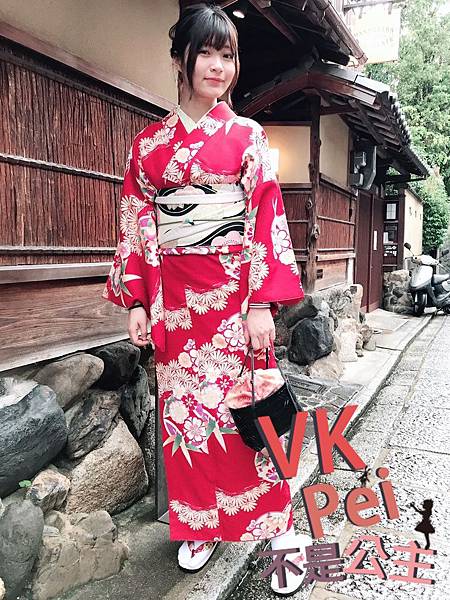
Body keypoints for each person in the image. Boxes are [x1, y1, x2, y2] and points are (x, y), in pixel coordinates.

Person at [102, 3, 311, 595]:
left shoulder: (247, 136)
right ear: (180, 59)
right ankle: (200, 524)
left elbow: (265, 215)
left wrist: (262, 302)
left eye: (228, 55)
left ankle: (277, 529)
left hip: (235, 303)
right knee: (188, 421)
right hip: (176, 306)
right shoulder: (148, 147)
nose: (219, 66)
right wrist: (138, 300)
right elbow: (138, 222)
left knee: (252, 416)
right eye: (207, 54)